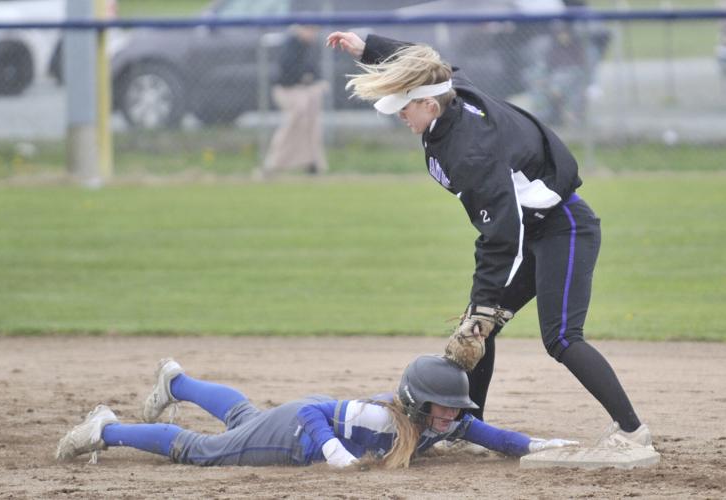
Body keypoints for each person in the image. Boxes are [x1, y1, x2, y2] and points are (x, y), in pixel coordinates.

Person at [325, 31, 653, 449]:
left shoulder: (470, 150)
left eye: (404, 108)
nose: (399, 115)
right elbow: (426, 62)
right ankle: (465, 429)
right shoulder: (450, 94)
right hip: (531, 227)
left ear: (429, 104)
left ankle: (632, 430)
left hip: (564, 228)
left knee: (562, 337)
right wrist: (368, 47)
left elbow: (502, 238)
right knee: (479, 330)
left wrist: (483, 305)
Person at [56, 355, 577, 467]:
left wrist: (540, 446)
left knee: (242, 417)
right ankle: (109, 428)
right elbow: (311, 410)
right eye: (445, 408)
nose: (454, 418)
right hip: (296, 434)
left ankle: (179, 382)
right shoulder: (380, 418)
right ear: (419, 404)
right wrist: (331, 450)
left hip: (291, 426)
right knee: (204, 452)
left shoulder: (445, 422)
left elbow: (495, 438)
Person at [262, 25, 329, 176]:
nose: (312, 33)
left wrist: (315, 80)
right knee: (295, 120)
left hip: (304, 90)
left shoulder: (310, 46)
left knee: (311, 124)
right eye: (309, 29)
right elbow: (288, 73)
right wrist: (306, 77)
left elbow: (314, 70)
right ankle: (274, 163)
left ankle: (313, 163)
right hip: (288, 90)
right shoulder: (291, 45)